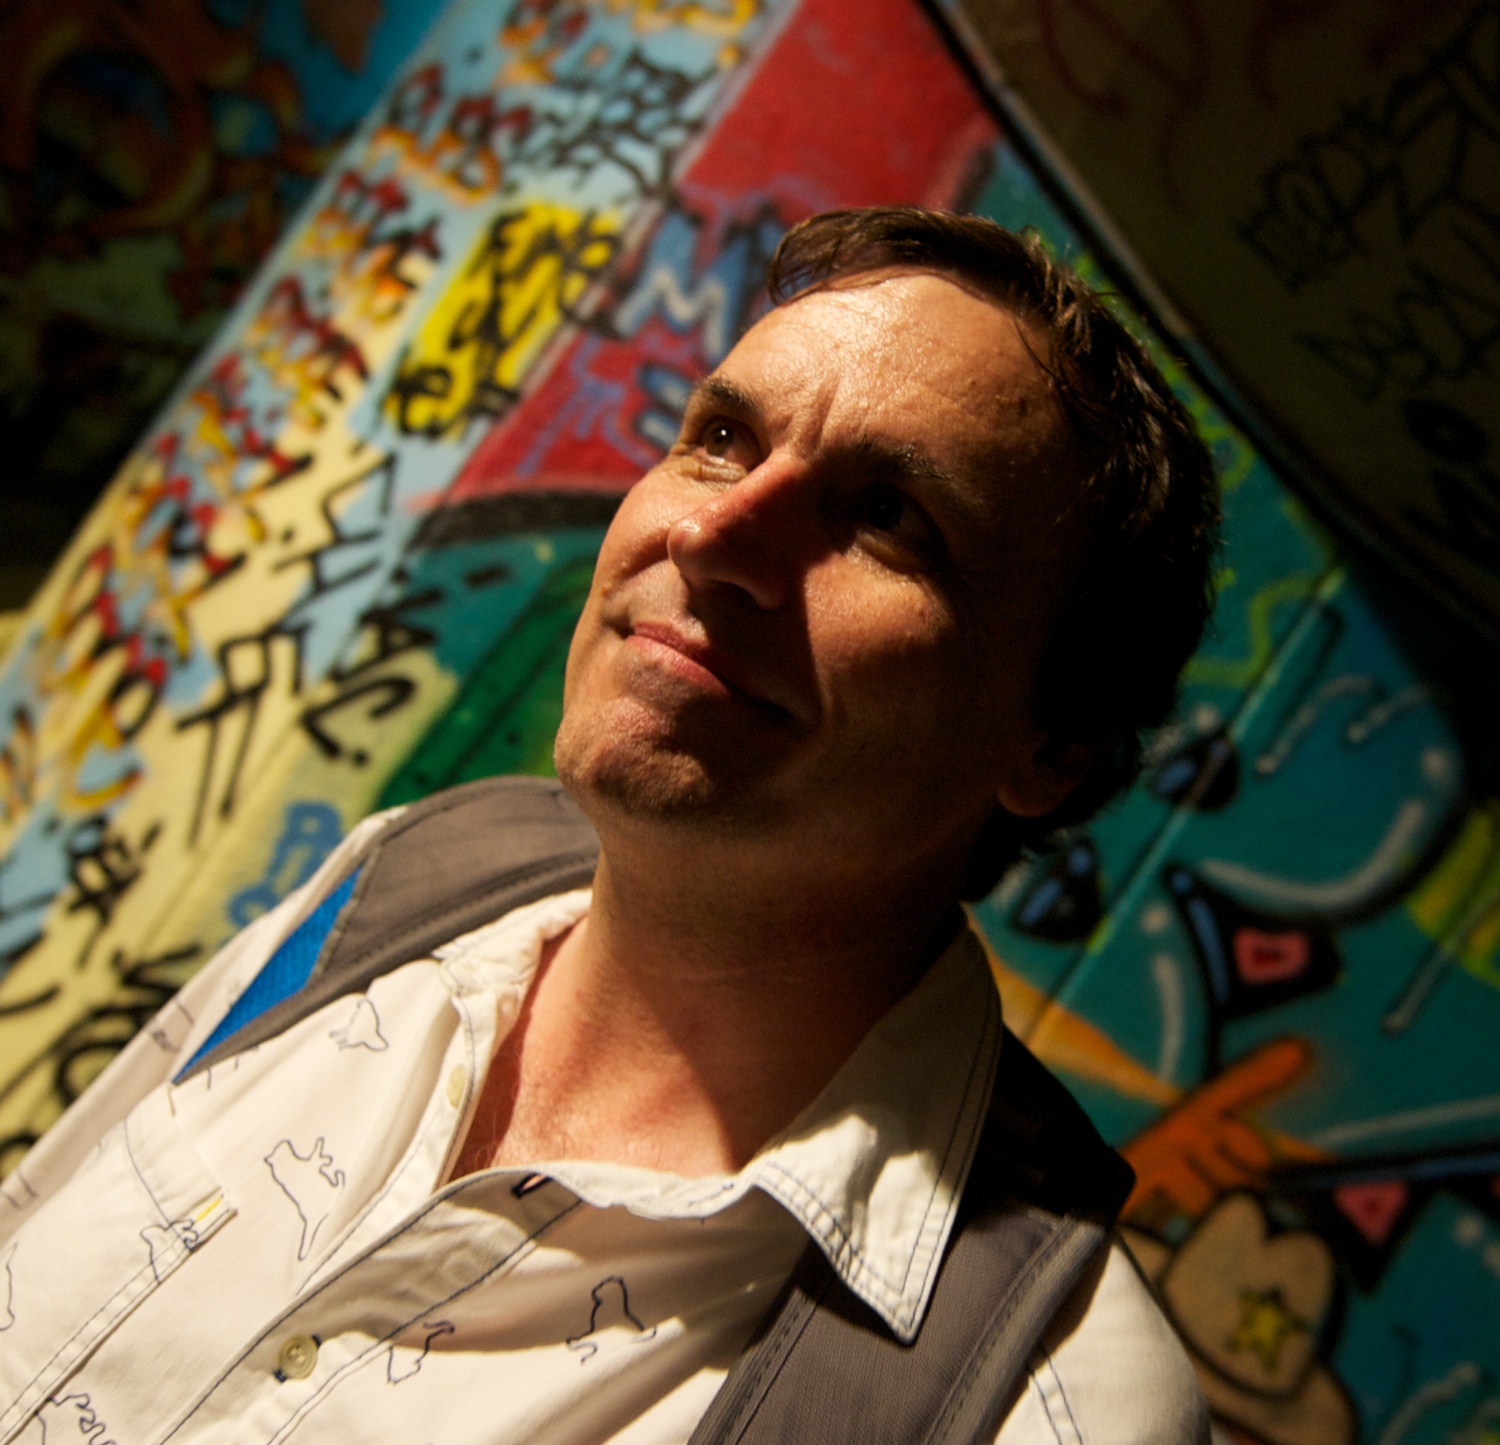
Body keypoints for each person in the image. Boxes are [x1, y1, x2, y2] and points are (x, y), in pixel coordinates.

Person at [0, 208, 1218, 1443]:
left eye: (889, 515)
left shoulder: (1038, 1405)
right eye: (723, 439)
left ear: (1053, 747)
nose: (710, 533)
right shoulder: (407, 883)